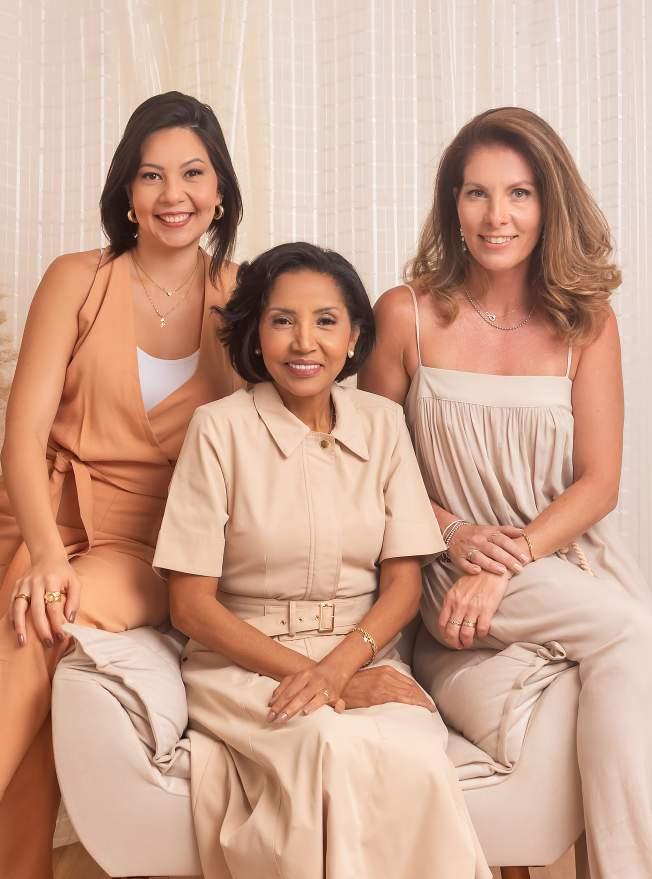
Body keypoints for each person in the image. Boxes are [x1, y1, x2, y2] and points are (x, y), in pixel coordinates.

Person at [358, 105, 652, 879]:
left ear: (549, 204)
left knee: (626, 645)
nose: (498, 216)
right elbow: (367, 468)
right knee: (633, 633)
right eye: (477, 193)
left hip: (558, 558)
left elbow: (600, 482)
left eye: (519, 193)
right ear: (452, 203)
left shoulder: (588, 323)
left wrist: (513, 559)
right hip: (447, 566)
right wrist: (456, 535)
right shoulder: (406, 315)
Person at [152, 242, 491, 879]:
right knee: (326, 741)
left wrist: (340, 670)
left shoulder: (383, 422)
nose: (303, 342)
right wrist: (323, 681)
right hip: (243, 665)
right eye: (282, 320)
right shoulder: (218, 429)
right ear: (255, 334)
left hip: (361, 655)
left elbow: (403, 587)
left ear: (355, 335)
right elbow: (190, 607)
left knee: (417, 756)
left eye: (326, 321)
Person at [0, 90, 242, 879]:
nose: (173, 194)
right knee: (30, 630)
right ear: (127, 191)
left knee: (37, 622)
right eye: (151, 175)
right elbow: (22, 435)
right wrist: (44, 549)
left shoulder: (245, 299)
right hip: (37, 517)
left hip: (150, 545)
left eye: (193, 174)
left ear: (219, 189)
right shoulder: (77, 278)